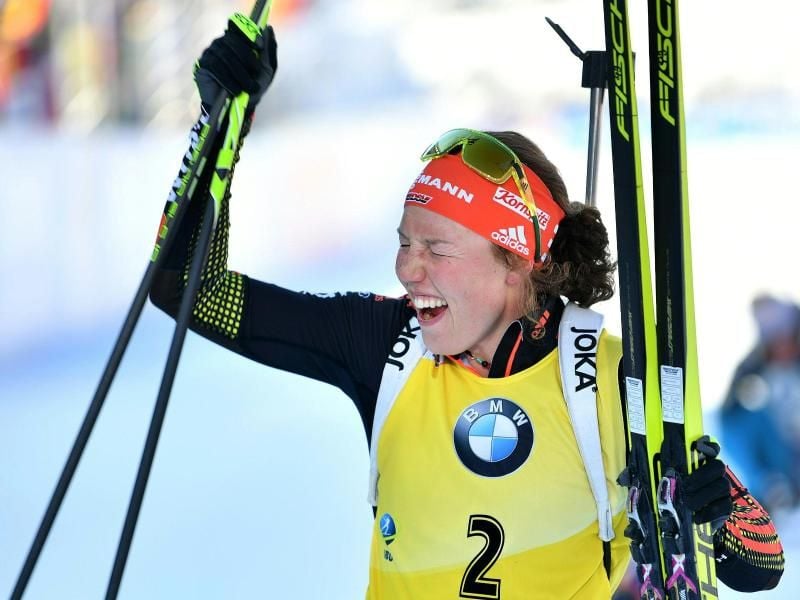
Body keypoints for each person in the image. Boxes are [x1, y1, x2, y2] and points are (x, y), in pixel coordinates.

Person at [150, 16, 784, 598]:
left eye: (436, 247)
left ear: (515, 262)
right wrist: (217, 130)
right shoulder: (384, 344)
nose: (406, 267)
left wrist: (718, 511)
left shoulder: (610, 382)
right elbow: (188, 290)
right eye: (403, 242)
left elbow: (762, 561)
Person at [720, 294, 800, 512]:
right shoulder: (755, 366)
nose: (782, 349)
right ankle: (771, 487)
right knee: (742, 421)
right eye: (774, 341)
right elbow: (728, 414)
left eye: (786, 339)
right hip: (780, 452)